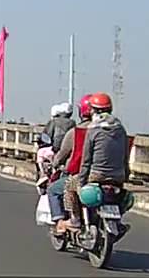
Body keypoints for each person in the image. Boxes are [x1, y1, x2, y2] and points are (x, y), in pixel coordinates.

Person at [57, 92, 128, 233]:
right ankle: (117, 221)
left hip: (96, 175)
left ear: (93, 110)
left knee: (69, 185)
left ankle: (75, 219)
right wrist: (125, 176)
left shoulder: (93, 129)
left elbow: (86, 159)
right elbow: (125, 156)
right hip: (118, 176)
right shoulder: (120, 129)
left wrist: (82, 181)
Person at [46, 95, 94, 226]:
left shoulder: (75, 133)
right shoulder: (112, 132)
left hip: (80, 175)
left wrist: (55, 163)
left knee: (53, 190)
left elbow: (62, 154)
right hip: (110, 177)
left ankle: (62, 222)